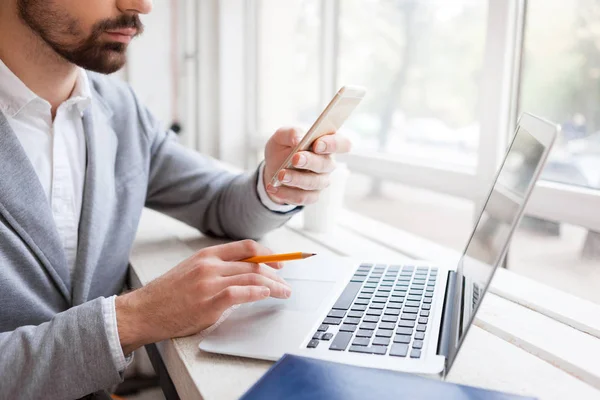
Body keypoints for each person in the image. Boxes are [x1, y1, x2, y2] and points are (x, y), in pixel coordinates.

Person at [0, 1, 352, 399]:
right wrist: (133, 319)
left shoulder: (119, 109)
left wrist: (275, 183)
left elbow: (216, 199)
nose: (141, 5)